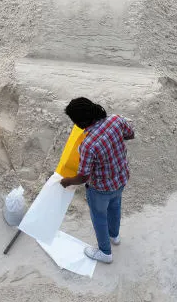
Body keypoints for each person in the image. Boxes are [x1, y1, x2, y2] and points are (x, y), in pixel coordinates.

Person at [59, 98, 134, 264]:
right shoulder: (116, 120)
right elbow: (130, 134)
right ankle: (114, 236)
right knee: (115, 207)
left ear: (79, 122)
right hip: (121, 178)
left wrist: (68, 181)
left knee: (99, 217)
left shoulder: (88, 144)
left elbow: (83, 176)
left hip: (100, 188)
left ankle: (105, 252)